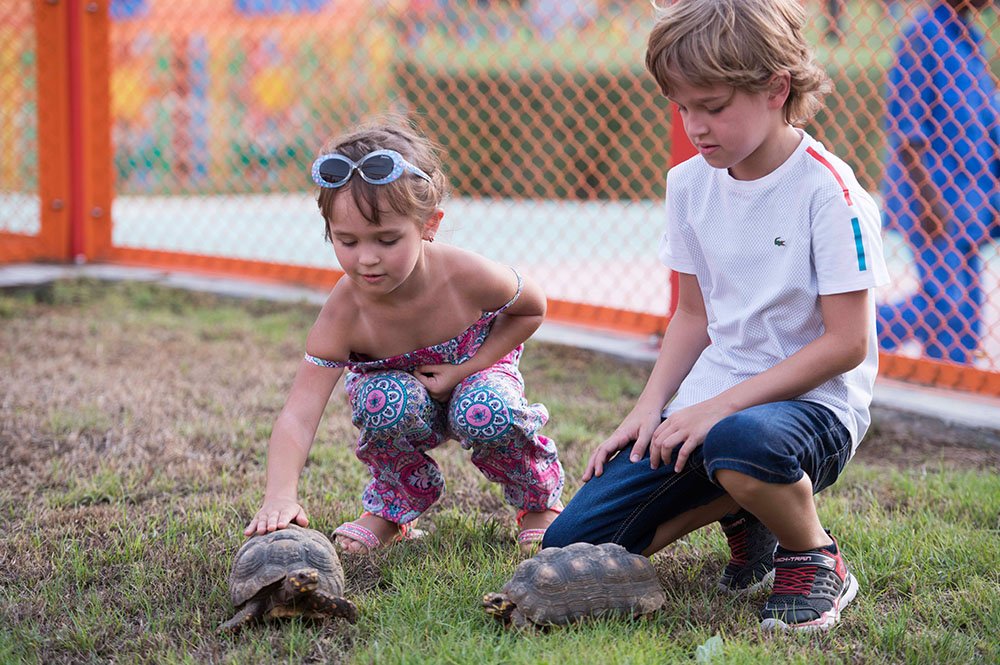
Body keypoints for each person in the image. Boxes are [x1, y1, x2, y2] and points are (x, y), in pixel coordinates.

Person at [543, 0, 890, 632]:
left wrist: (717, 409)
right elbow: (692, 318)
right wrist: (650, 408)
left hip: (814, 407)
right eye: (682, 107)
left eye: (713, 106)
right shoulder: (688, 185)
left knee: (740, 443)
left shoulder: (829, 192)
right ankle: (746, 513)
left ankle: (815, 556)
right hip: (714, 404)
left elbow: (845, 344)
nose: (695, 126)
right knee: (571, 550)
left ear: (776, 88)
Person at [243, 117, 564, 555]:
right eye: (347, 241)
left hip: (474, 375)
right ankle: (395, 509)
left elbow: (533, 308)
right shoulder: (344, 312)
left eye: (387, 239)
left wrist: (464, 369)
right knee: (382, 402)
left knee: (487, 409)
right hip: (402, 396)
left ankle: (538, 503)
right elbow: (299, 412)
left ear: (429, 224)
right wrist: (280, 495)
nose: (367, 259)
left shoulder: (465, 274)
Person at [876, 0, 999, 365]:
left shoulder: (970, 38)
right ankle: (851, 335)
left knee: (968, 314)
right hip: (934, 200)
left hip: (972, 202)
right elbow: (906, 132)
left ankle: (945, 374)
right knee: (946, 304)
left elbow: (986, 121)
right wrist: (928, 201)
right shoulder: (922, 36)